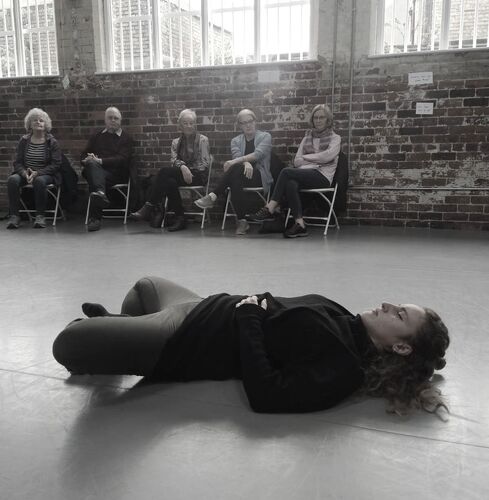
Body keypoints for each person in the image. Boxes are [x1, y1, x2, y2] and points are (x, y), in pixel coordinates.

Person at [53, 276, 450, 416]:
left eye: (400, 316)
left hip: (187, 339)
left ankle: (116, 334)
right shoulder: (345, 317)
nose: (387, 305)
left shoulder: (344, 368)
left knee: (68, 342)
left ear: (400, 349)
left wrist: (247, 318)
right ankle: (121, 327)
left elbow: (267, 393)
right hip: (202, 303)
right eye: (398, 303)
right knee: (144, 287)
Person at [248, 104, 341, 238]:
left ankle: (270, 208)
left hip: (322, 177)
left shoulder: (335, 138)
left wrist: (306, 158)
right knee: (290, 183)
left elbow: (327, 156)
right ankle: (300, 224)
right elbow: (297, 161)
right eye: (316, 117)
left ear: (328, 120)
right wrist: (316, 160)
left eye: (322, 117)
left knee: (286, 172)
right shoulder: (307, 137)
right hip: (304, 175)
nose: (318, 120)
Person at [194, 109, 272, 235]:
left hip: (259, 176)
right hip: (240, 177)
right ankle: (242, 221)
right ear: (240, 125)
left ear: (255, 121)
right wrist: (245, 162)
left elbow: (258, 154)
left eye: (250, 121)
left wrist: (240, 161)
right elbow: (237, 157)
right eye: (243, 123)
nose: (247, 125)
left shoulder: (265, 137)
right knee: (235, 177)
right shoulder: (235, 141)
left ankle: (213, 196)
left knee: (234, 168)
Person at [130, 109, 210, 231]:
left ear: (195, 124)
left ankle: (149, 206)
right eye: (185, 123)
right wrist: (183, 167)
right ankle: (180, 218)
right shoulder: (175, 142)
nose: (189, 126)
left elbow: (205, 164)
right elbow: (174, 160)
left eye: (191, 123)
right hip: (182, 174)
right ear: (180, 125)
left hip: (198, 175)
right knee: (169, 182)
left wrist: (188, 169)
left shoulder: (203, 140)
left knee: (164, 172)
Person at [6, 108, 61, 229]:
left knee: (39, 181)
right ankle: (14, 216)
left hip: (45, 175)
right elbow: (18, 162)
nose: (38, 122)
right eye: (34, 120)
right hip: (26, 174)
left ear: (46, 124)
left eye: (41, 120)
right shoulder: (24, 141)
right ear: (29, 124)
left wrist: (38, 173)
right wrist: (24, 173)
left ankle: (40, 216)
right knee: (12, 180)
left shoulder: (52, 142)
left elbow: (56, 165)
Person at [81, 106, 134, 232]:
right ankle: (100, 194)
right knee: (93, 169)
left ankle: (95, 218)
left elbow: (122, 159)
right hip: (97, 172)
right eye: (110, 118)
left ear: (120, 121)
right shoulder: (97, 136)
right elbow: (83, 155)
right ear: (105, 120)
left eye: (116, 118)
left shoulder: (125, 138)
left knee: (94, 176)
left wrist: (100, 161)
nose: (113, 120)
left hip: (117, 173)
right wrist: (86, 160)